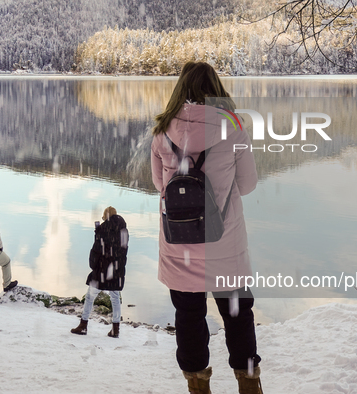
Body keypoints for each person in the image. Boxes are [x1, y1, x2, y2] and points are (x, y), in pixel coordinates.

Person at [151, 62, 262, 394]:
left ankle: (198, 386)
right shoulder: (234, 127)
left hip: (179, 247)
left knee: (188, 318)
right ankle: (248, 386)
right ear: (216, 90)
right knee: (238, 315)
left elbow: (160, 186)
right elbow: (248, 184)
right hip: (224, 246)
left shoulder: (161, 131)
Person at [71, 206, 128, 337]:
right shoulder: (124, 231)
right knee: (115, 298)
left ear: (105, 216)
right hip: (117, 270)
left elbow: (96, 251)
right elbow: (123, 251)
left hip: (102, 270)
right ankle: (115, 329)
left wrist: (93, 266)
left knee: (90, 297)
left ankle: (83, 325)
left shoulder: (102, 230)